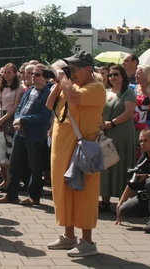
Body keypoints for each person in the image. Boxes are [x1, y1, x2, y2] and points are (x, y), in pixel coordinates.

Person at [45, 51, 105, 257]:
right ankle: (68, 236)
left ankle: (87, 241)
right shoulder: (69, 84)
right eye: (70, 67)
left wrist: (62, 76)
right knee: (63, 192)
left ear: (88, 69)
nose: (71, 71)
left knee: (84, 194)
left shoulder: (96, 87)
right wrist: (60, 80)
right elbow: (49, 104)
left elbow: (74, 98)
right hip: (62, 149)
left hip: (83, 151)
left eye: (75, 68)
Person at [0, 63, 51, 206]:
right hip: (20, 133)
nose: (33, 76)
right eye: (32, 74)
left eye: (37, 74)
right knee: (14, 165)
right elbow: (19, 107)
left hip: (35, 135)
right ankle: (11, 195)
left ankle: (34, 197)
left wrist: (23, 120)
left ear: (45, 77)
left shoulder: (48, 94)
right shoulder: (29, 90)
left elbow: (43, 116)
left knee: (35, 167)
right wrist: (18, 118)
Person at [99, 65, 136, 211]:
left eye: (116, 74)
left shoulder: (129, 93)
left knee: (122, 165)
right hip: (106, 133)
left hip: (122, 133)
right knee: (106, 165)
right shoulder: (106, 92)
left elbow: (128, 112)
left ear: (123, 77)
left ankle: (123, 201)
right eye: (111, 75)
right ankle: (105, 200)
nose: (113, 77)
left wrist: (112, 123)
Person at [0, 63, 23, 191]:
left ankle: (10, 180)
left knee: (8, 153)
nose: (6, 74)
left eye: (9, 72)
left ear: (15, 74)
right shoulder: (0, 87)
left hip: (9, 120)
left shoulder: (18, 88)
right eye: (4, 72)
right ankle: (4, 179)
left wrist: (3, 120)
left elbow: (15, 107)